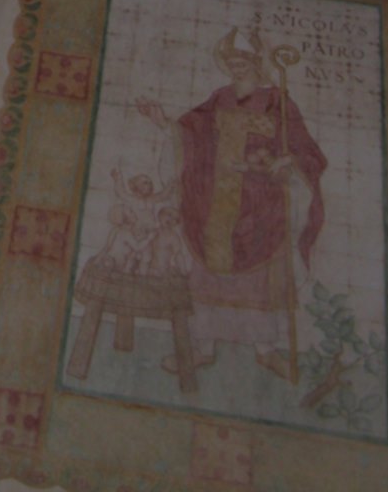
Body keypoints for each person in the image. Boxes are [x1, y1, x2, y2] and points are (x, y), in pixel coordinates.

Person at [136, 24, 326, 381]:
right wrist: (164, 123)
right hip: (214, 203)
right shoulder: (220, 98)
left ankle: (266, 352)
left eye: (243, 60)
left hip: (259, 202)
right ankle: (203, 349)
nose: (237, 67)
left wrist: (288, 162)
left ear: (256, 61)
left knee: (259, 280)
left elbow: (305, 150)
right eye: (231, 61)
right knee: (209, 276)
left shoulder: (277, 101)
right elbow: (190, 132)